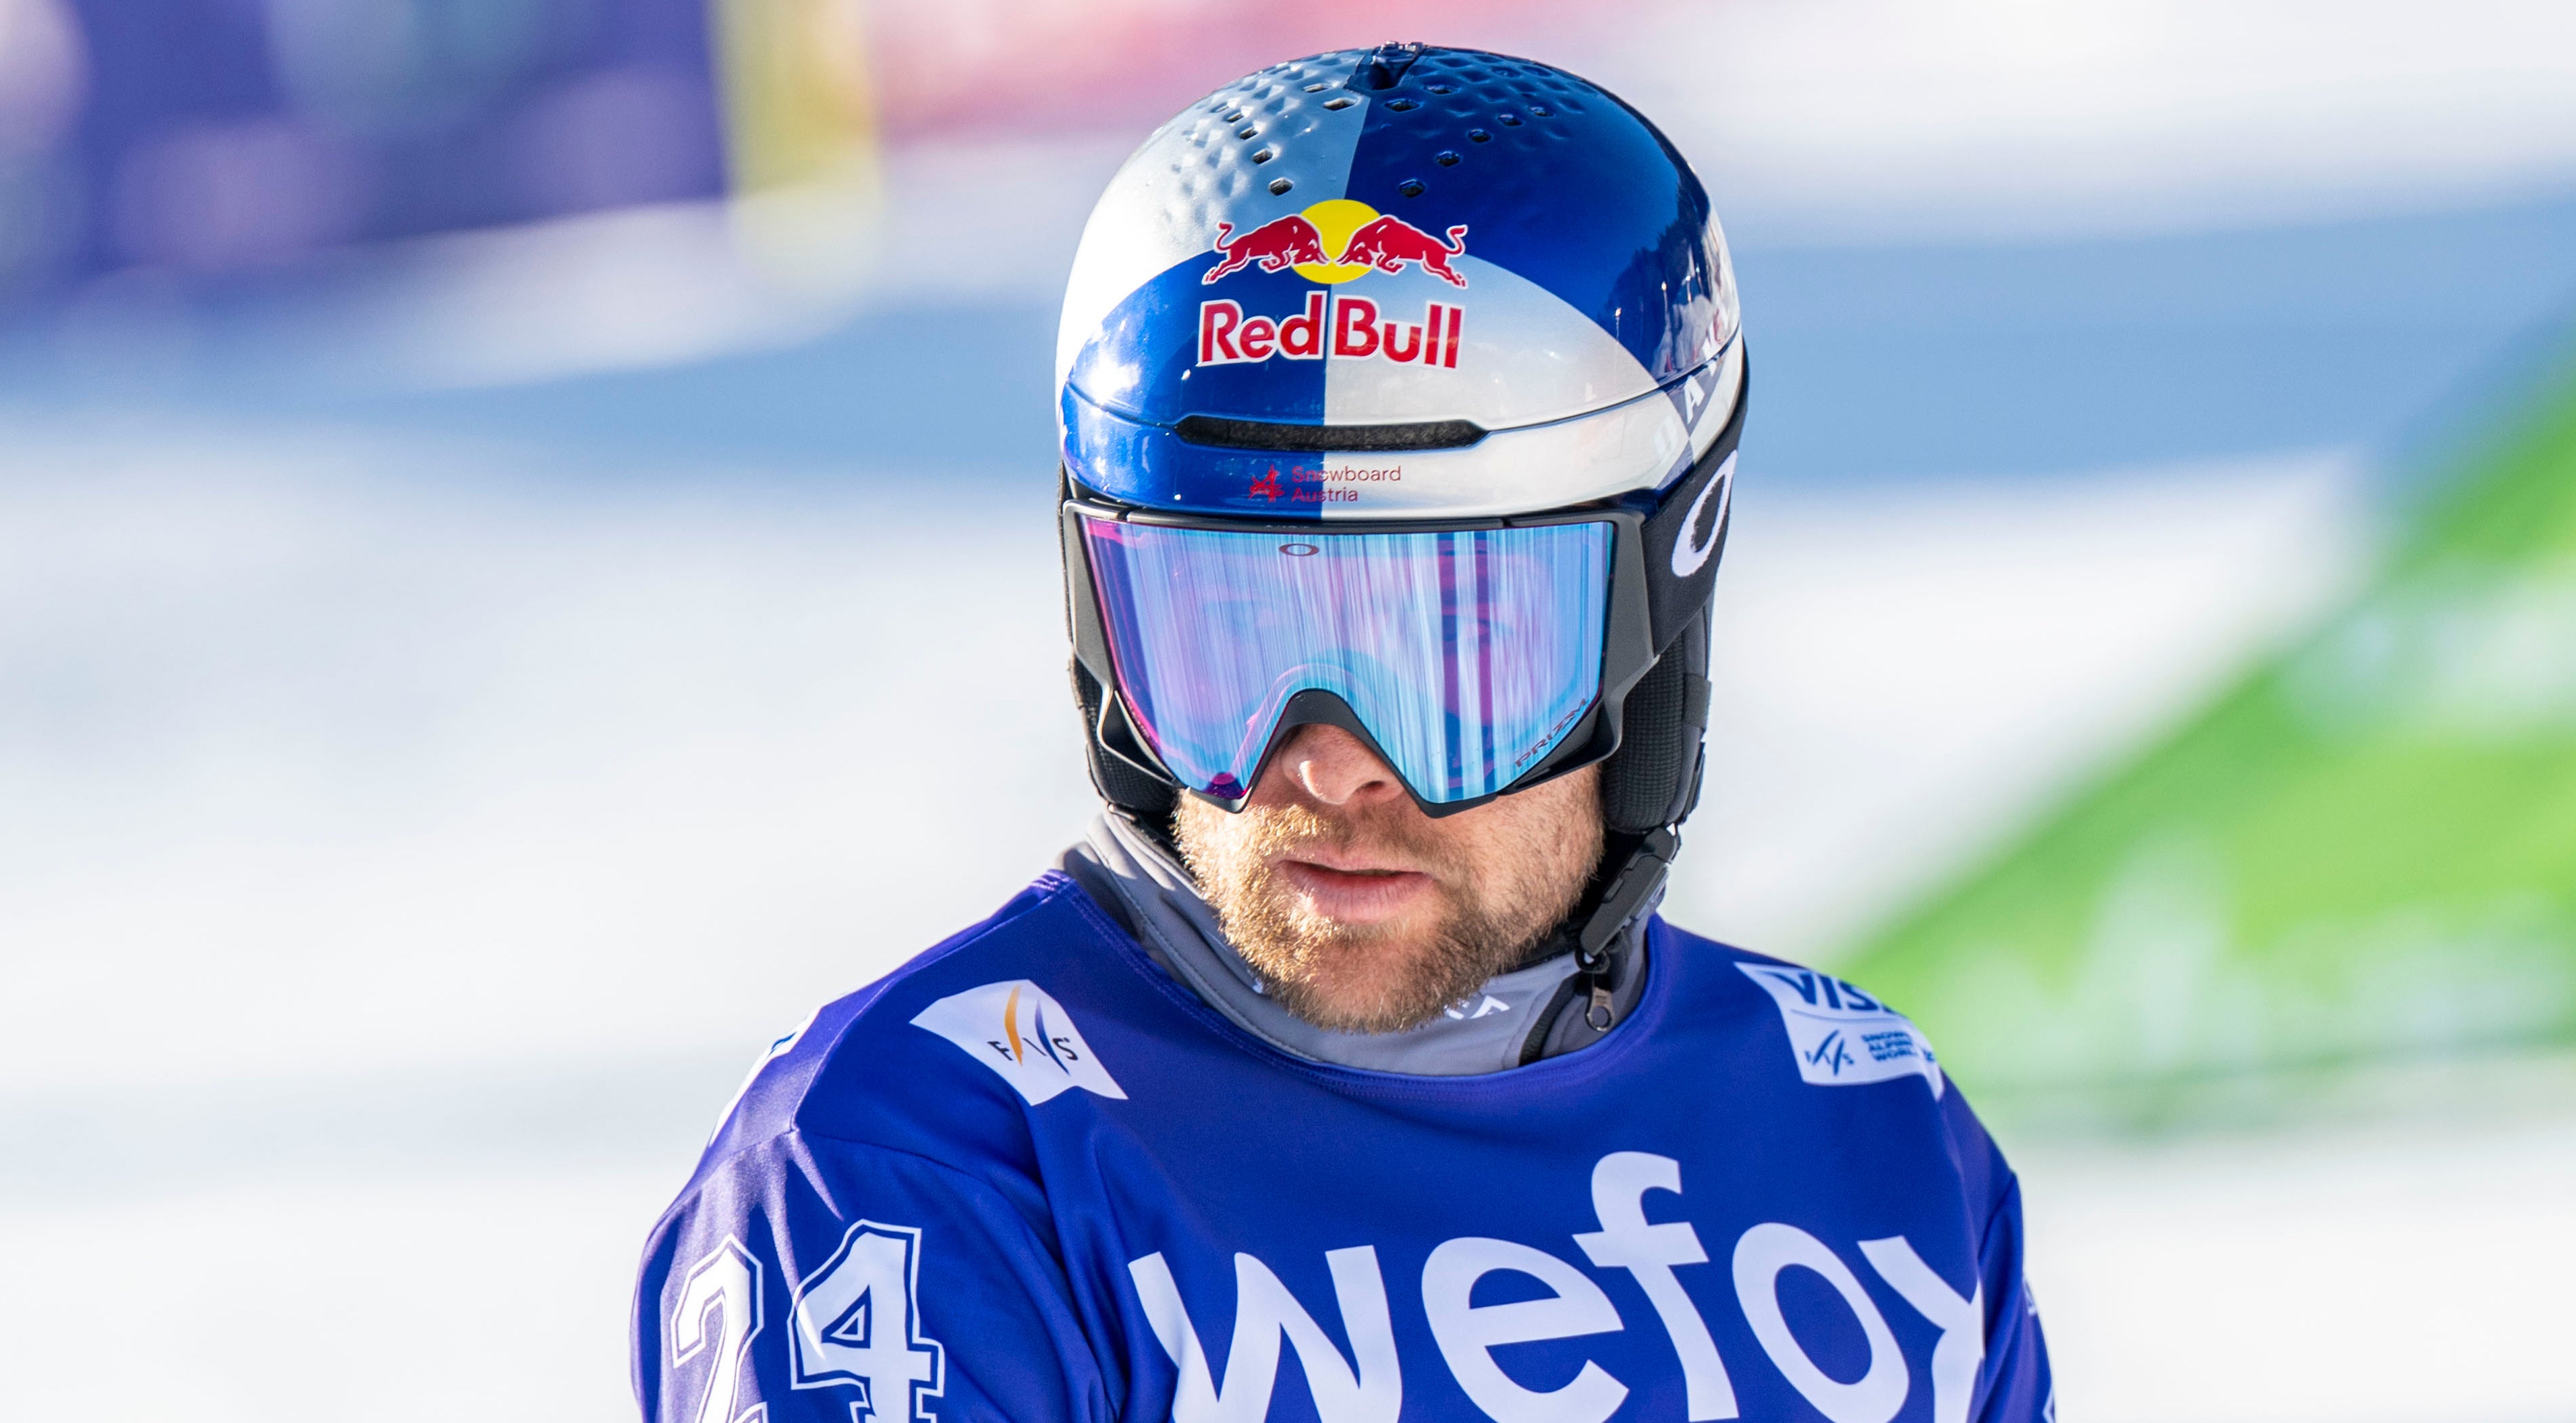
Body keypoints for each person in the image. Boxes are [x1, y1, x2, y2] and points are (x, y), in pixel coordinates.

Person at [633, 43, 2052, 1423]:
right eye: (1225, 635)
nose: (1325, 763)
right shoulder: (924, 1167)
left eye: (1456, 646)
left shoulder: (1866, 1141)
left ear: (1657, 626)